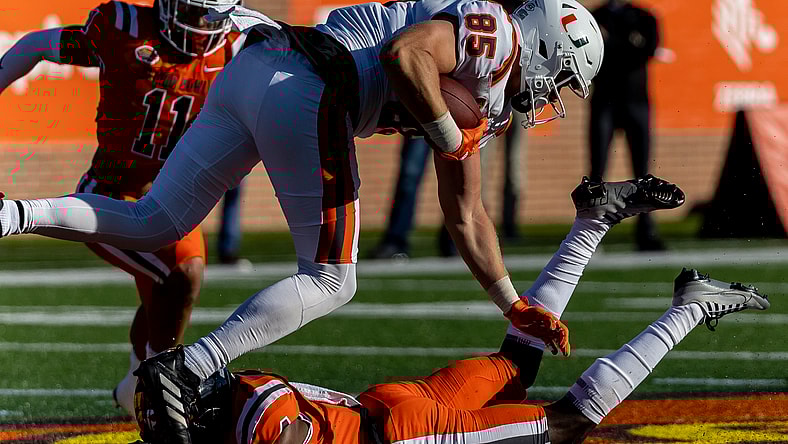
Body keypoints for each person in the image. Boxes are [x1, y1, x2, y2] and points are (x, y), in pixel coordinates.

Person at [0, 0, 632, 440]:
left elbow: (465, 214)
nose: (554, 95)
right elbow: (406, 55)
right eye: (562, 79)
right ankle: (191, 367)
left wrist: (511, 302)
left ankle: (12, 213)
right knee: (333, 279)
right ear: (548, 43)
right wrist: (446, 133)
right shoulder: (494, 34)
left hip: (261, 68)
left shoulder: (489, 93)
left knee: (155, 219)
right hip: (313, 82)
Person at [132, 268, 770, 444]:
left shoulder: (257, 418)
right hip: (397, 403)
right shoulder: (244, 387)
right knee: (517, 365)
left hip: (407, 433)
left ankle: (690, 309)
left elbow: (289, 436)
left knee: (567, 424)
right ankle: (593, 222)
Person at [0, 0, 247, 414]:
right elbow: (35, 45)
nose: (200, 26)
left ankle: (136, 389)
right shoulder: (125, 29)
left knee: (166, 293)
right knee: (181, 275)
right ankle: (155, 393)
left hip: (174, 199)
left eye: (210, 16)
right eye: (192, 12)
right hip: (110, 195)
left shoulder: (239, 49)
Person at [588, 0, 663, 251]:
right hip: (605, 102)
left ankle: (646, 229)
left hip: (636, 101)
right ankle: (589, 231)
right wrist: (628, 45)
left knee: (642, 171)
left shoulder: (644, 17)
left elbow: (648, 50)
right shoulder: (595, 16)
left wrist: (612, 44)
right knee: (597, 172)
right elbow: (591, 55)